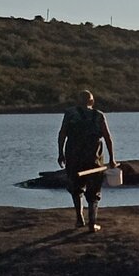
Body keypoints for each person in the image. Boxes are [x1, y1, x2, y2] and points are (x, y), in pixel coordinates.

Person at [57, 90, 117, 232]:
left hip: (74, 158)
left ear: (78, 101)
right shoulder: (99, 116)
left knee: (76, 189)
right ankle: (92, 223)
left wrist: (60, 154)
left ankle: (79, 219)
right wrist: (112, 159)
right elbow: (108, 138)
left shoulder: (70, 114)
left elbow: (62, 134)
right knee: (94, 192)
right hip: (94, 159)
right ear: (92, 102)